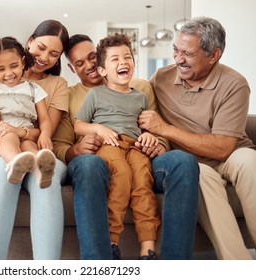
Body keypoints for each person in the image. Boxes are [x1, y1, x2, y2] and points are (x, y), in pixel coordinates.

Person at [52, 34, 200, 260]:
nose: (90, 65)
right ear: (73, 69)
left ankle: (152, 250)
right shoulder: (77, 95)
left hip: (136, 148)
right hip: (102, 151)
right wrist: (83, 143)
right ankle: (107, 248)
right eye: (80, 63)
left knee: (149, 176)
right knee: (117, 172)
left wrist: (154, 141)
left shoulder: (140, 90)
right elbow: (64, 141)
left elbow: (154, 127)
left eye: (92, 57)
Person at [141, 17, 256, 260]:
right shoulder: (161, 78)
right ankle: (239, 264)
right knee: (198, 174)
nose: (179, 59)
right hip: (193, 163)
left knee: (250, 163)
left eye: (188, 53)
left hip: (230, 152)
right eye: (176, 50)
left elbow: (224, 148)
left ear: (213, 55)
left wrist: (166, 129)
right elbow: (133, 99)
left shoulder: (235, 84)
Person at [0, 20, 69, 259]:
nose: (44, 57)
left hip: (30, 139)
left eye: (53, 53)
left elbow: (42, 127)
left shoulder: (47, 87)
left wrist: (33, 133)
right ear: (29, 44)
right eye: (41, 47)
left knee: (42, 173)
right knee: (2, 169)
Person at [74, 34, 161, 259]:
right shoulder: (96, 94)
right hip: (110, 144)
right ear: (102, 71)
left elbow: (146, 127)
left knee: (142, 179)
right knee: (121, 174)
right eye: (115, 59)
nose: (123, 62)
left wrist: (150, 136)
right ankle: (112, 240)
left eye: (127, 57)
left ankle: (148, 247)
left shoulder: (140, 97)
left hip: (135, 146)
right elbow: (78, 125)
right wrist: (98, 129)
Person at [0, 37, 56, 188]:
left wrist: (45, 135)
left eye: (14, 66)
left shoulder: (34, 89)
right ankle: (14, 162)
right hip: (1, 134)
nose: (9, 73)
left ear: (23, 62)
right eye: (1, 69)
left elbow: (45, 119)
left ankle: (41, 172)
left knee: (30, 148)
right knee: (10, 136)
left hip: (26, 132)